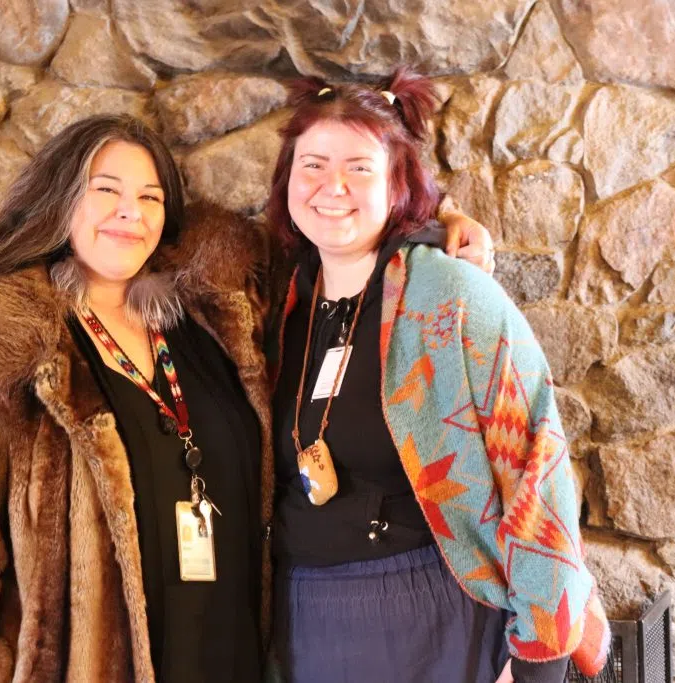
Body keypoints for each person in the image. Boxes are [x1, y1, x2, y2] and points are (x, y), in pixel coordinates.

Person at [0, 113, 495, 682]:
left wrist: (435, 221)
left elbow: (336, 226)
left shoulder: (217, 311)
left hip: (236, 659)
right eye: (105, 190)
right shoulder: (0, 339)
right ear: (59, 201)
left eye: (150, 196)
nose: (130, 213)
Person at [266, 70, 610, 683]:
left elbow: (535, 467)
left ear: (397, 183)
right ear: (287, 178)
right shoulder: (274, 302)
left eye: (360, 168)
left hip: (434, 618)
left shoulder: (452, 297)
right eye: (312, 165)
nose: (332, 186)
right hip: (301, 622)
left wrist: (538, 652)